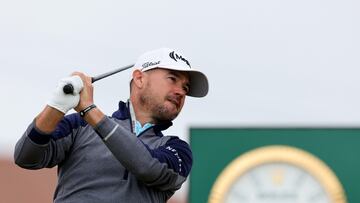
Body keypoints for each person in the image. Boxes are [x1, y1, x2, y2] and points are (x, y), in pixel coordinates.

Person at [14, 47, 209, 203]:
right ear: (140, 78)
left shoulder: (177, 150)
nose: (180, 92)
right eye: (172, 79)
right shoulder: (79, 126)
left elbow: (147, 166)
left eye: (185, 87)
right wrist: (57, 105)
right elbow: (26, 156)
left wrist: (89, 110)